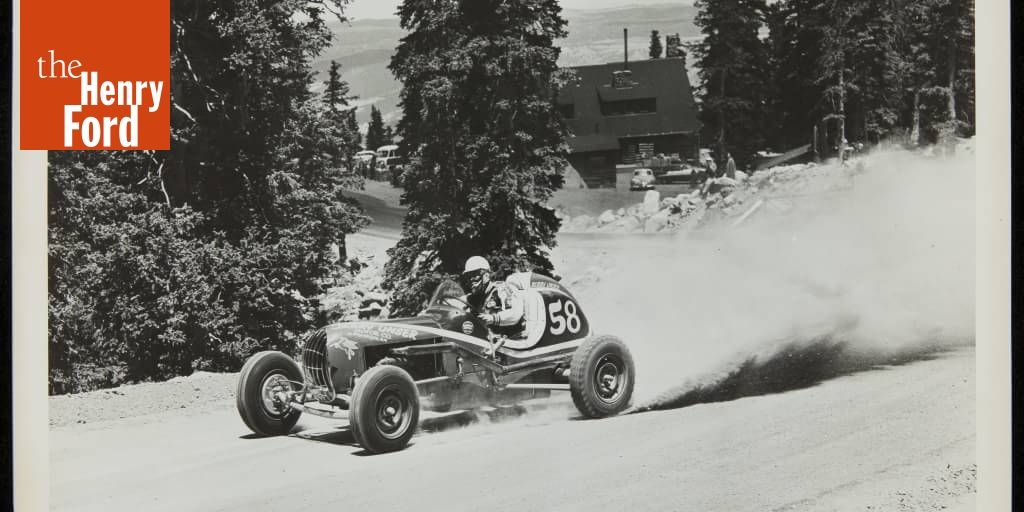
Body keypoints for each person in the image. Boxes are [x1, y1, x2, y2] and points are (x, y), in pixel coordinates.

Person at [460, 256, 529, 341]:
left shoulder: (502, 289)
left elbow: (516, 313)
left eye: (474, 274)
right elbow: (457, 303)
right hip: (487, 345)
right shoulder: (472, 298)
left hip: (511, 343)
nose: (471, 279)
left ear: (486, 274)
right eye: (468, 276)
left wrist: (493, 318)